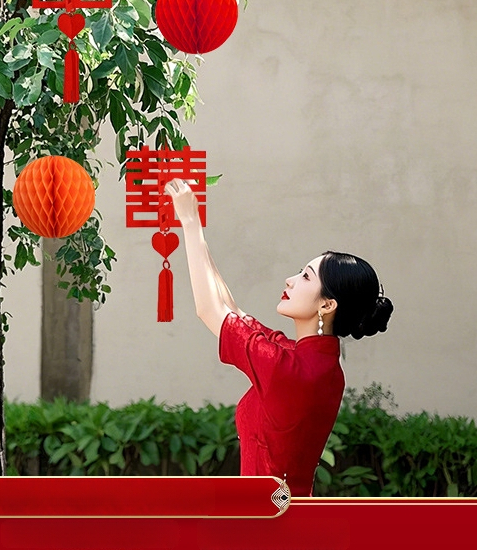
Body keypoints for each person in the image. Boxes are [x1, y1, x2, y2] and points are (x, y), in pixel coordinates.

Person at [164, 178, 394, 497]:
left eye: (305, 277)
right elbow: (231, 309)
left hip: (268, 522)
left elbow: (209, 310)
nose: (290, 279)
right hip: (288, 514)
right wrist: (196, 227)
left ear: (327, 304)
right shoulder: (317, 364)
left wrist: (188, 223)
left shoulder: (288, 369)